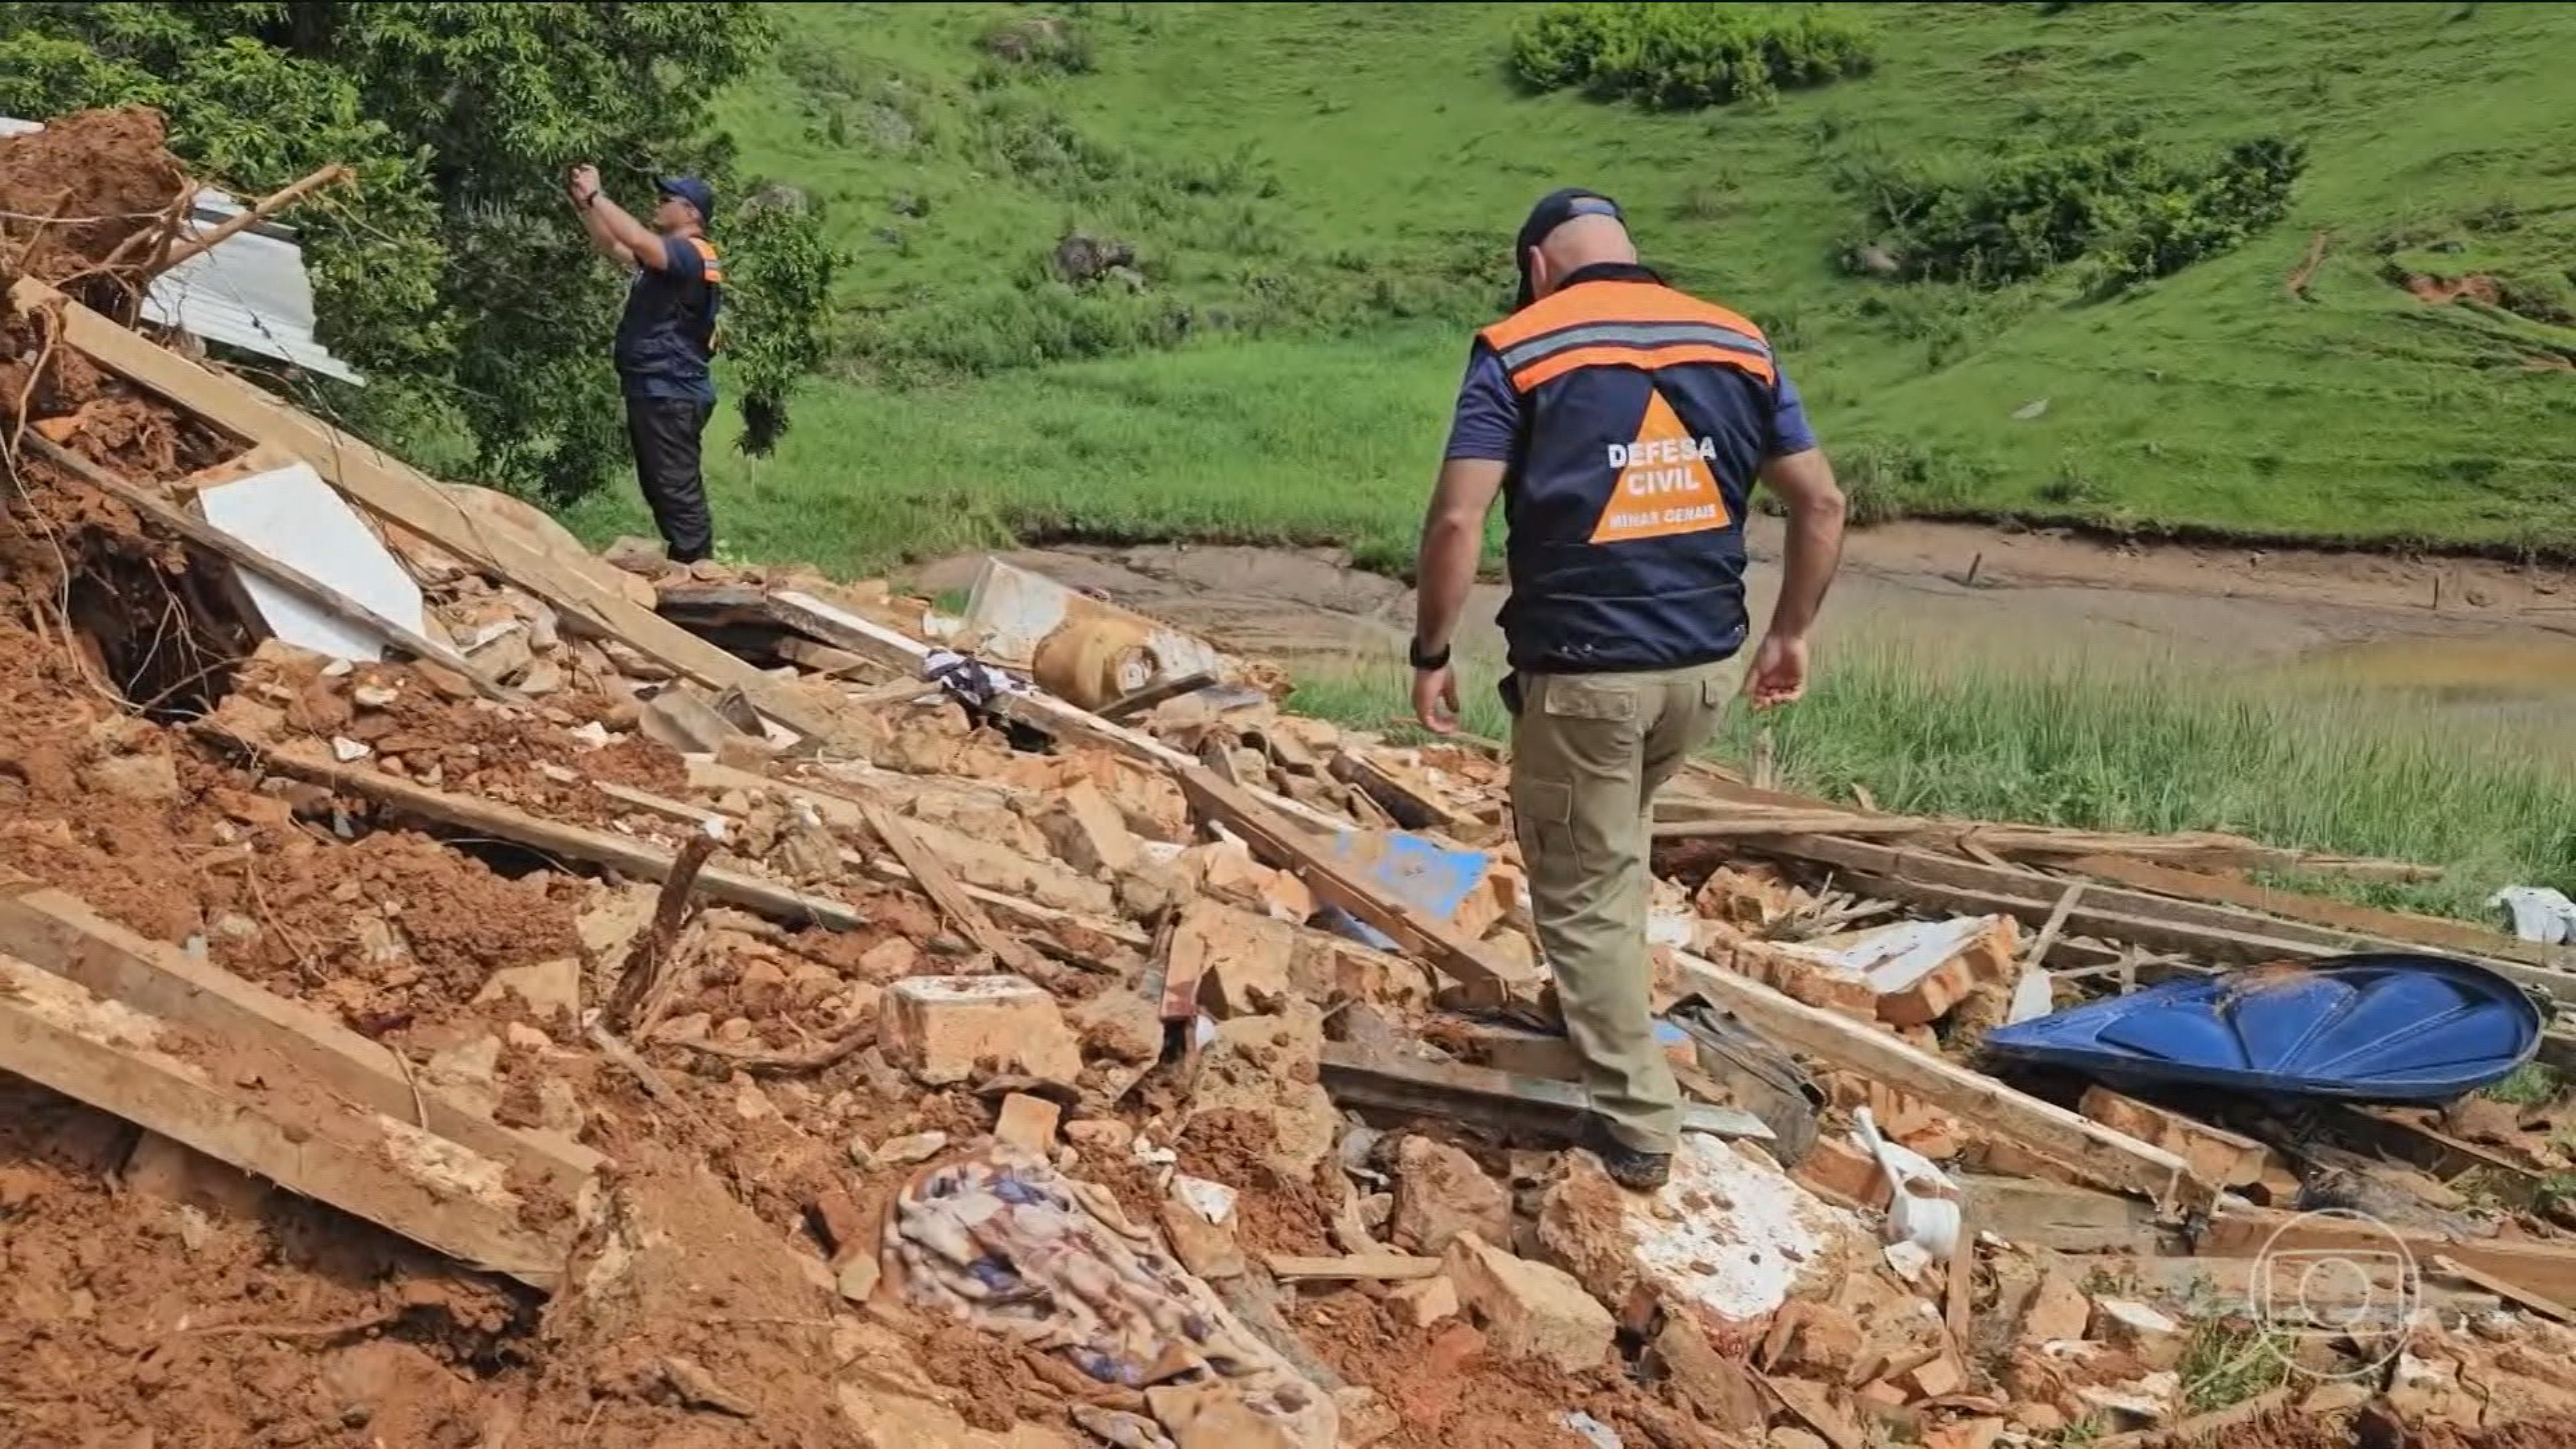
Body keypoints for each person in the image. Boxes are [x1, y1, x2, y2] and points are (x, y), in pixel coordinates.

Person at [1407, 189, 1847, 1190]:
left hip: (1586, 677)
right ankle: (1602, 1014)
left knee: (1582, 886)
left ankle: (1640, 1126)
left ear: (1538, 268)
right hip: (1704, 670)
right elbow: (1819, 500)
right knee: (1617, 845)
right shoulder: (1737, 340)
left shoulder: (1520, 348)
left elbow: (1456, 524)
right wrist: (1791, 634)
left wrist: (1434, 649)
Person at [567, 165, 724, 566]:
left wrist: (596, 198)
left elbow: (636, 237)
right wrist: (584, 207)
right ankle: (689, 564)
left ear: (691, 213)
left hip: (671, 389)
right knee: (662, 486)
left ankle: (699, 570)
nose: (658, 203)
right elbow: (612, 245)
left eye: (666, 199)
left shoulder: (689, 254)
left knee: (675, 487)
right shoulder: (665, 264)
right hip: (656, 387)